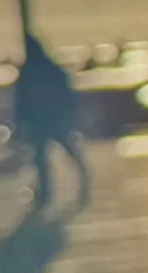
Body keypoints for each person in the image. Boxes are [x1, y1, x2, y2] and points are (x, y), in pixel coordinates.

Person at [13, 33, 90, 211]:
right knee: (56, 152)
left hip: (43, 120)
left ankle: (48, 189)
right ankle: (73, 181)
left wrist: (20, 120)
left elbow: (20, 100)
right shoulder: (48, 68)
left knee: (45, 155)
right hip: (49, 119)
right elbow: (67, 90)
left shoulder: (30, 71)